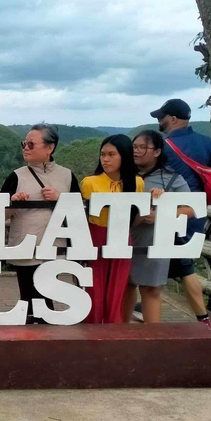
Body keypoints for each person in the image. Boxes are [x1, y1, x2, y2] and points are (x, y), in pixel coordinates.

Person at [150, 98, 211, 329]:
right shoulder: (204, 142)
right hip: (196, 211)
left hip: (172, 211)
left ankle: (201, 319)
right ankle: (196, 317)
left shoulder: (164, 146)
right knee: (180, 262)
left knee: (177, 264)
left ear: (174, 119)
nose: (159, 120)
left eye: (162, 116)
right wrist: (205, 169)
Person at [0, 123, 81, 324]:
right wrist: (13, 203)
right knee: (29, 302)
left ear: (49, 148)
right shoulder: (16, 176)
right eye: (24, 144)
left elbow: (79, 213)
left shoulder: (67, 176)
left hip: (54, 248)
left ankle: (40, 346)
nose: (25, 148)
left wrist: (60, 198)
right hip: (25, 249)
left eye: (31, 144)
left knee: (47, 301)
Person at [123, 130, 194, 323]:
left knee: (151, 289)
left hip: (155, 242)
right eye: (134, 147)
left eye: (142, 147)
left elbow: (192, 209)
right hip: (124, 240)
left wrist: (161, 214)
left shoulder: (171, 178)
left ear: (157, 152)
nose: (136, 151)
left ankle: (152, 340)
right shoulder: (122, 174)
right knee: (124, 287)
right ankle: (121, 335)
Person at [80, 134, 145, 324]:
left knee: (118, 288)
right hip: (96, 234)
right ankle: (90, 330)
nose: (105, 159)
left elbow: (136, 215)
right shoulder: (90, 182)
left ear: (123, 156)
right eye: (102, 154)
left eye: (111, 154)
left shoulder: (137, 182)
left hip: (122, 236)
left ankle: (113, 331)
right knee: (94, 287)